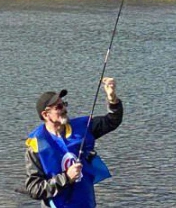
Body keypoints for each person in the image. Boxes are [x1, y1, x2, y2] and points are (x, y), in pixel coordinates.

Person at [24, 77, 123, 208]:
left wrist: (112, 99)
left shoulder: (83, 127)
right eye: (59, 107)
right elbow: (34, 189)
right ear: (45, 114)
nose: (64, 109)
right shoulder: (36, 145)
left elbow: (112, 121)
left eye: (64, 104)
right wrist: (66, 178)